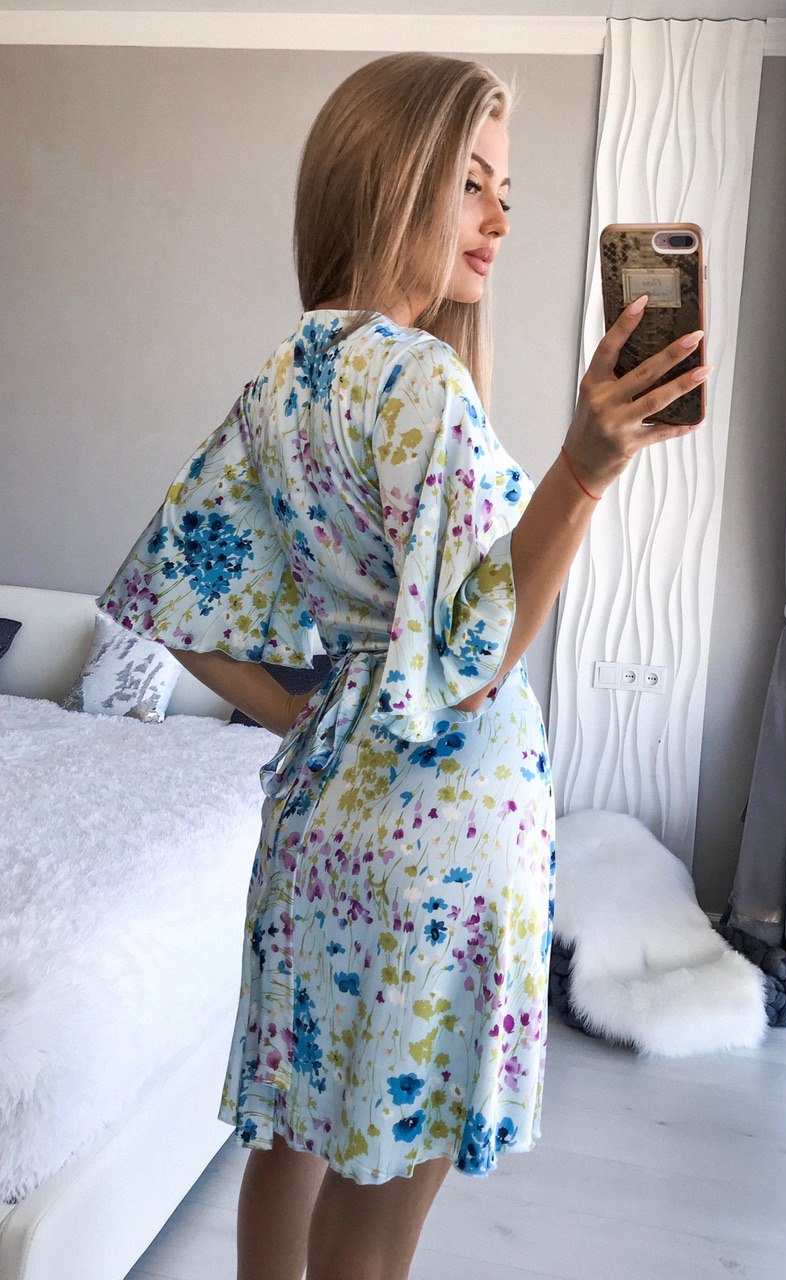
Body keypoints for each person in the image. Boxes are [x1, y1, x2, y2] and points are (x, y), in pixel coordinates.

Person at [95, 51, 711, 1280]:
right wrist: (586, 464)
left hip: (320, 823)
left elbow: (167, 594)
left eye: (506, 189)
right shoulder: (421, 378)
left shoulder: (285, 376)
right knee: (374, 1231)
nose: (499, 217)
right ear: (393, 179)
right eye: (469, 182)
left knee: (291, 1145)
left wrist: (314, 715)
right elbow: (475, 658)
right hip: (438, 840)